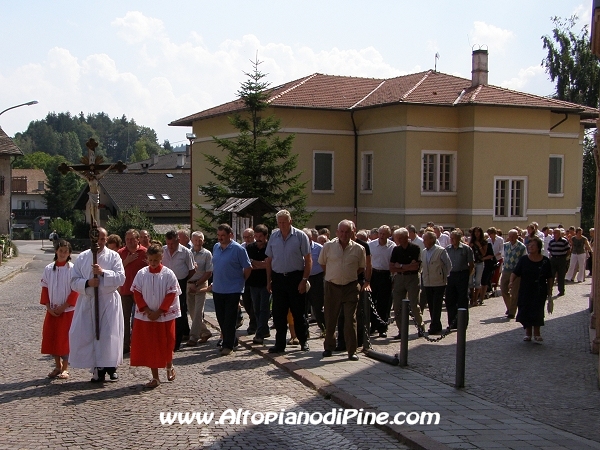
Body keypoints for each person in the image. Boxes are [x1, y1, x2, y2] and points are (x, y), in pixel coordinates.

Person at [69, 227, 126, 382]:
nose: (99, 242)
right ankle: (97, 369)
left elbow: (121, 278)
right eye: (96, 239)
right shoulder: (82, 257)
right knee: (93, 335)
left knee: (109, 336)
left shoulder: (114, 256)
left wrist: (103, 273)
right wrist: (87, 282)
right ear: (91, 239)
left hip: (108, 302)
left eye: (102, 239)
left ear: (106, 239)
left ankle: (111, 367)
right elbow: (73, 281)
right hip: (89, 301)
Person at [130, 244, 181, 388]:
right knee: (151, 345)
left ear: (161, 258)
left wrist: (160, 311)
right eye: (150, 260)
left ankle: (169, 365)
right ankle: (155, 377)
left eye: (156, 260)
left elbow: (172, 294)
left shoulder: (168, 274)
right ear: (147, 259)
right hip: (147, 316)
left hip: (164, 316)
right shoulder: (141, 274)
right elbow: (137, 293)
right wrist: (146, 310)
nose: (153, 263)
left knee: (167, 342)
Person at [265, 210, 312, 354]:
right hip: (278, 278)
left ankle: (303, 341)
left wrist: (304, 280)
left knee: (298, 313)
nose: (282, 225)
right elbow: (269, 260)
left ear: (290, 221)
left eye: (284, 222)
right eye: (279, 222)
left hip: (295, 278)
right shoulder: (274, 237)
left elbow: (308, 260)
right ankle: (280, 344)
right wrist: (269, 280)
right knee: (279, 313)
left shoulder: (300, 236)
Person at [319, 220, 366, 361]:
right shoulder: (328, 246)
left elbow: (361, 268)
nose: (344, 235)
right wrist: (334, 276)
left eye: (348, 232)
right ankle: (329, 347)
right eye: (342, 232)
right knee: (330, 318)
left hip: (350, 287)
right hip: (332, 286)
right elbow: (322, 264)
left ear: (352, 233)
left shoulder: (359, 249)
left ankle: (352, 351)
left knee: (350, 320)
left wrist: (346, 276)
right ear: (337, 232)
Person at [211, 223, 252, 356]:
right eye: (218, 235)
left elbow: (248, 268)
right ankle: (232, 340)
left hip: (233, 289)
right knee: (221, 318)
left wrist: (240, 281)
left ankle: (228, 345)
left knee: (229, 318)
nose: (220, 238)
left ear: (230, 235)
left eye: (223, 235)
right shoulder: (216, 247)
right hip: (218, 288)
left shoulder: (238, 249)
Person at [40, 240, 78, 380]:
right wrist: (48, 307)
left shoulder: (73, 269)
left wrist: (64, 306)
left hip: (67, 311)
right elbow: (45, 288)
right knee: (53, 337)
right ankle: (57, 365)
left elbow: (75, 290)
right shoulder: (49, 268)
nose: (62, 253)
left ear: (69, 254)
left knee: (65, 339)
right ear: (56, 251)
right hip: (53, 311)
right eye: (60, 250)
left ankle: (66, 368)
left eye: (65, 251)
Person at [510, 236, 554, 343]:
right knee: (526, 310)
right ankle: (528, 333)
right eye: (529, 245)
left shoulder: (545, 261)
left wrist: (550, 289)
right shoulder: (524, 259)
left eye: (533, 245)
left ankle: (537, 333)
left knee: (538, 310)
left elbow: (550, 276)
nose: (530, 247)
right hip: (525, 289)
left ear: (538, 247)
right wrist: (511, 282)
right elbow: (515, 272)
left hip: (539, 289)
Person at [163, 230, 195, 351]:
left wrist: (184, 279)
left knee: (178, 311)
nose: (170, 246)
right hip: (164, 284)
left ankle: (177, 341)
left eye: (173, 243)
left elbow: (192, 270)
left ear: (178, 241)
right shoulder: (163, 250)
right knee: (165, 310)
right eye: (168, 243)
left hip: (180, 282)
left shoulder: (186, 252)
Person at [117, 229, 147, 354]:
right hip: (125, 290)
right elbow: (116, 270)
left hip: (140, 292)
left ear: (137, 239)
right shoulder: (120, 253)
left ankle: (137, 343)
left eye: (132, 239)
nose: (129, 241)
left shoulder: (144, 252)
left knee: (138, 319)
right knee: (124, 319)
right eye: (127, 239)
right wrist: (126, 261)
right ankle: (124, 345)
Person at [390, 227, 423, 338]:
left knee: (414, 305)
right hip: (399, 278)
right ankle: (402, 330)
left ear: (405, 237)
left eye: (399, 238)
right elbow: (392, 267)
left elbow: (415, 266)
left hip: (412, 278)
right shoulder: (396, 250)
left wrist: (400, 266)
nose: (397, 240)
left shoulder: (415, 248)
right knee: (397, 306)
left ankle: (420, 327)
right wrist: (405, 267)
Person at [421, 231, 452, 335]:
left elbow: (448, 265)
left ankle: (434, 326)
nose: (424, 241)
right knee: (431, 305)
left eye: (425, 239)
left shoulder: (441, 251)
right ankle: (436, 324)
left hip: (439, 282)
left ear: (431, 240)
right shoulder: (424, 251)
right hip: (427, 282)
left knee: (437, 304)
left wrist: (443, 276)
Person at [186, 231, 213, 346]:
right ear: (192, 241)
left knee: (198, 312)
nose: (198, 242)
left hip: (201, 284)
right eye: (196, 240)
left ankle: (193, 337)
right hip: (188, 284)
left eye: (200, 240)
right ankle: (205, 332)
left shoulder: (207, 254)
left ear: (203, 240)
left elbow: (209, 272)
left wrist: (197, 284)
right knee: (192, 312)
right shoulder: (187, 253)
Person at [246, 225, 271, 345]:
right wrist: (262, 264)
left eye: (260, 236)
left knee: (264, 308)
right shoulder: (250, 247)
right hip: (253, 282)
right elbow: (248, 264)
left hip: (266, 282)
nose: (258, 239)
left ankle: (260, 334)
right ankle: (264, 329)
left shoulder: (270, 248)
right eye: (256, 236)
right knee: (256, 308)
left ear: (266, 236)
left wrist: (256, 263)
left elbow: (270, 265)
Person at [368, 225, 395, 337]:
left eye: (384, 234)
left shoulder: (392, 246)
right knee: (372, 301)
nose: (382, 236)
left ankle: (382, 327)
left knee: (384, 302)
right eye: (380, 233)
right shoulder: (371, 245)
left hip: (385, 275)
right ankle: (373, 325)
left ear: (389, 235)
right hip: (373, 274)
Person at [444, 230, 474, 329]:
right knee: (450, 299)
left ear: (458, 238)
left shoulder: (466, 249)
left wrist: (466, 275)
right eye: (450, 238)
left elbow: (471, 264)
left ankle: (463, 322)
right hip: (451, 275)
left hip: (462, 274)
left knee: (462, 299)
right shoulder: (448, 249)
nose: (451, 240)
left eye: (453, 238)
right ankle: (452, 322)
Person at [501, 230, 527, 319]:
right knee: (503, 289)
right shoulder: (505, 246)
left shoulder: (522, 247)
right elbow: (503, 257)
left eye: (513, 236)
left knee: (514, 292)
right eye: (510, 236)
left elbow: (524, 259)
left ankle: (512, 312)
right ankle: (509, 307)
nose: (511, 238)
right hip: (506, 270)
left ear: (517, 236)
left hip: (516, 272)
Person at [304, 228, 326, 337]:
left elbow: (325, 264)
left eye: (307, 238)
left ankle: (324, 329)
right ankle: (304, 332)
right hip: (302, 278)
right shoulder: (298, 248)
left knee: (317, 307)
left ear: (311, 238)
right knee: (302, 307)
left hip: (316, 279)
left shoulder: (319, 248)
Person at [241, 228, 257, 334]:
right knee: (246, 302)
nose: (247, 239)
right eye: (245, 237)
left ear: (253, 236)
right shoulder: (242, 247)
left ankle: (253, 324)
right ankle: (253, 319)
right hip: (245, 278)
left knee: (254, 303)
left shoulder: (257, 246)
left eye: (249, 237)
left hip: (256, 278)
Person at [547, 228, 570, 297]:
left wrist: (564, 257)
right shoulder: (551, 241)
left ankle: (561, 291)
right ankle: (549, 290)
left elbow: (568, 250)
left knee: (561, 276)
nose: (554, 234)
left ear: (559, 234)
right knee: (551, 275)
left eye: (556, 233)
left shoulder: (564, 241)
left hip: (561, 259)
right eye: (554, 233)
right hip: (553, 259)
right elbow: (550, 250)